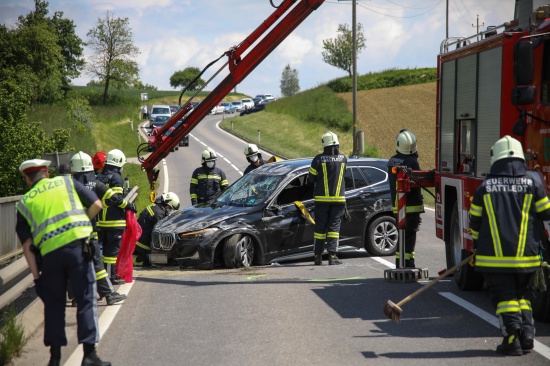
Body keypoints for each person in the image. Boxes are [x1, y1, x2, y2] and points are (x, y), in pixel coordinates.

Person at [15, 159, 111, 366]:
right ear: (47, 173)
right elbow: (96, 204)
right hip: (78, 250)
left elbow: (27, 245)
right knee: (86, 298)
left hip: (49, 257)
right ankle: (89, 355)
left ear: (27, 178)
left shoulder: (24, 203)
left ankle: (55, 358)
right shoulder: (66, 183)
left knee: (54, 305)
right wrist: (83, 221)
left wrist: (36, 277)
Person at [469, 136, 550, 356]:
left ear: (496, 158)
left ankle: (512, 338)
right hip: (529, 258)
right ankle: (527, 337)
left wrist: (477, 244)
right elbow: (546, 214)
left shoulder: (485, 187)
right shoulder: (534, 183)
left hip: (495, 259)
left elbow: (474, 221)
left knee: (504, 298)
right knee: (522, 297)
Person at [71, 151, 133, 305]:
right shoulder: (94, 182)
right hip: (89, 231)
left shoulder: (67, 184)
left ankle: (76, 298)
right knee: (97, 264)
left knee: (75, 264)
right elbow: (114, 198)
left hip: (69, 232)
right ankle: (109, 295)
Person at [307, 131, 347, 265]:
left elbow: (310, 179)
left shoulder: (318, 159)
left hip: (321, 201)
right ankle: (332, 257)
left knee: (320, 229)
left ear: (324, 144)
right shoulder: (343, 159)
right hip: (339, 200)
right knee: (334, 229)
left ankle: (318, 257)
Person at [387, 129, 424, 268]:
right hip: (411, 206)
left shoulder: (392, 161)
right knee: (410, 235)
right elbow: (419, 180)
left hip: (397, 205)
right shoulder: (412, 162)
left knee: (402, 234)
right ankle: (408, 262)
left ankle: (400, 262)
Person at [96, 149, 131, 285]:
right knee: (111, 253)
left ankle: (104, 276)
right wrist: (129, 206)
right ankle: (111, 277)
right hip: (114, 221)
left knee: (103, 251)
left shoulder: (98, 177)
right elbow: (117, 200)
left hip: (100, 222)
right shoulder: (116, 177)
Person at [133, 192, 180, 267]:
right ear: (167, 203)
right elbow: (162, 234)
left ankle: (144, 257)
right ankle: (145, 257)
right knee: (168, 261)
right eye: (171, 208)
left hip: (138, 241)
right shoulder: (159, 213)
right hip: (143, 246)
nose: (171, 210)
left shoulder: (156, 207)